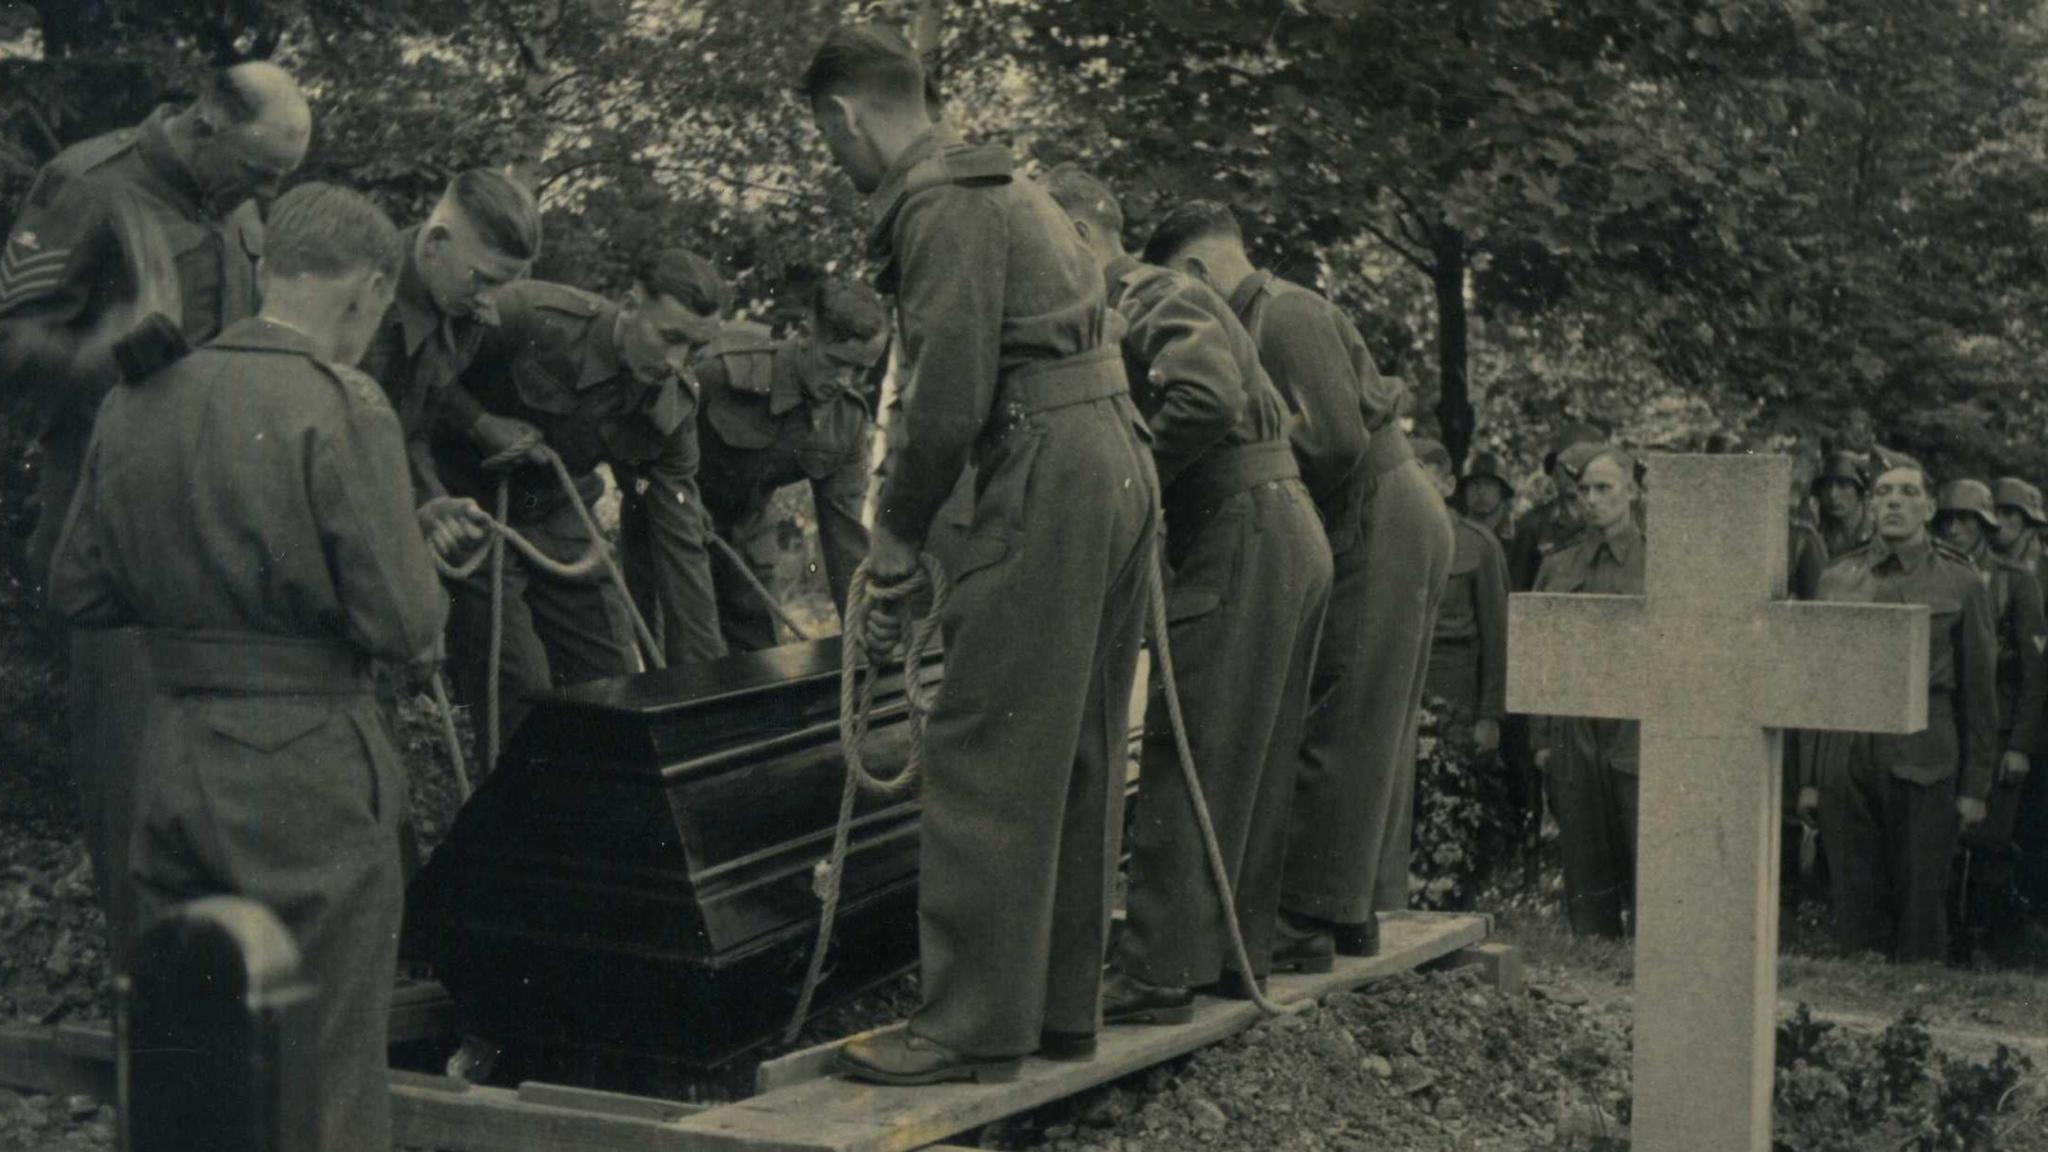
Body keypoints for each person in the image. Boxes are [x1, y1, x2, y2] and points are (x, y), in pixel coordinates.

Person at [48, 184, 443, 1152]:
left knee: (192, 1064)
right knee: (323, 1074)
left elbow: (78, 589)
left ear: (270, 267)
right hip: (306, 765)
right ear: (368, 290)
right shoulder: (343, 404)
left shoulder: (138, 397)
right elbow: (402, 622)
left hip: (174, 754)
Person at [801, 25, 1157, 1084]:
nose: (837, 162)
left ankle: (966, 1026)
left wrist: (897, 537)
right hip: (1109, 454)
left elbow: (946, 396)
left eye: (829, 145)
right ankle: (1052, 1010)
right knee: (1077, 744)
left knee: (985, 738)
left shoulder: (941, 202)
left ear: (843, 118)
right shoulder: (1002, 181)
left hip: (1047, 463)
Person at [0, 61, 310, 973]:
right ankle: (154, 998)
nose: (270, 195)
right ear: (206, 123)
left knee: (224, 763)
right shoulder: (88, 186)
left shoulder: (238, 203)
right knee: (132, 761)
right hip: (111, 517)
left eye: (282, 180)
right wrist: (106, 353)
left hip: (222, 517)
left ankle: (218, 974)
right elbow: (9, 346)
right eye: (260, 175)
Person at [1044, 166, 1332, 1020]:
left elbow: (1204, 394)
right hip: (1278, 525)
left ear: (1084, 238)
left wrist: (1137, 485)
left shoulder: (1138, 290)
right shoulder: (1156, 293)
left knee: (1190, 744)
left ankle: (1160, 971)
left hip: (1238, 527)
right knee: (1250, 753)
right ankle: (1221, 957)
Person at [1145, 200, 1452, 959]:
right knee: (1354, 710)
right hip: (1369, 514)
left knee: (1343, 715)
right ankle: (1342, 909)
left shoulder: (1285, 313)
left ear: (1193, 269)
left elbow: (1335, 440)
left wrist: (1252, 483)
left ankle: (1309, 916)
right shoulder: (1257, 320)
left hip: (1377, 515)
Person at [426, 255, 728, 750]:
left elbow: (681, 544)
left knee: (612, 679)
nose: (678, 362)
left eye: (696, 347)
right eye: (669, 337)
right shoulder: (530, 312)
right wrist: (480, 424)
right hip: (472, 510)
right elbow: (430, 374)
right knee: (518, 683)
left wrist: (708, 685)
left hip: (561, 516)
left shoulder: (673, 403)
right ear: (630, 306)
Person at [1799, 457, 1998, 962]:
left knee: (1920, 893)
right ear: (1870, 507)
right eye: (1884, 492)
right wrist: (1810, 776)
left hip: (1925, 752)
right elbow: (1817, 685)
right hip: (1847, 751)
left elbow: (1980, 693)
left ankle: (1915, 1004)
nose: (1893, 502)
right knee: (1853, 887)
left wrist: (1975, 787)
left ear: (1930, 508)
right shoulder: (1839, 578)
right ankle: (1858, 1003)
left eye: (1908, 493)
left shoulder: (1961, 583)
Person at [695, 276, 888, 651]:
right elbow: (645, 440)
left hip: (746, 533)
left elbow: (845, 536)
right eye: (836, 363)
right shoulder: (723, 372)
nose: (845, 381)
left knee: (762, 658)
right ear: (805, 334)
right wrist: (680, 500)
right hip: (673, 525)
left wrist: (863, 626)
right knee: (685, 656)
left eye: (861, 370)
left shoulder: (845, 420)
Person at [359, 168, 542, 551]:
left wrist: (431, 500)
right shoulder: (359, 291)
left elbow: (415, 428)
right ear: (434, 245)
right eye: (483, 279)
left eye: (502, 285)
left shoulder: (463, 308)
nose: (489, 304)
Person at [1531, 448, 1646, 938]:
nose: (1593, 500)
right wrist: (1540, 735)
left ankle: (1653, 948)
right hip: (1574, 719)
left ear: (1633, 493)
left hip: (1637, 721)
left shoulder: (1664, 564)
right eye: (1585, 490)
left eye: (1605, 488)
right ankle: (1592, 945)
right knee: (1582, 839)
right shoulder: (1559, 567)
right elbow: (1538, 651)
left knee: (1644, 839)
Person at [1933, 479, 2046, 959]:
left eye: (1967, 520)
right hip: (1947, 724)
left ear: (1985, 526)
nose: (1957, 529)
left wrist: (2020, 744)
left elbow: (2034, 674)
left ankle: (1980, 937)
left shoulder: (2015, 580)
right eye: (1950, 520)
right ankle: (1947, 935)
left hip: (1998, 729)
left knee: (1992, 838)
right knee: (1942, 832)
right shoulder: (1937, 573)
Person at [1417, 439, 1508, 754]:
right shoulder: (1387, 545)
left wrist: (1490, 716)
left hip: (1456, 694)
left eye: (1422, 482)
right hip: (1401, 695)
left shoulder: (1478, 545)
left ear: (1447, 485)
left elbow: (1498, 637)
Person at [1507, 424, 1603, 592]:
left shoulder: (1614, 523)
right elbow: (1517, 593)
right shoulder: (1533, 525)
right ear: (1553, 471)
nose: (1570, 473)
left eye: (1580, 465)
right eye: (1563, 465)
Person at [1813, 449, 1874, 560]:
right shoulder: (1816, 534)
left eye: (1843, 485)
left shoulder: (1880, 533)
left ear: (1860, 491)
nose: (1832, 495)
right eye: (1826, 486)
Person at [1456, 450, 1516, 548]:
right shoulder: (1451, 535)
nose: (1481, 491)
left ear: (1502, 491)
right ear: (1464, 491)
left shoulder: (1515, 542)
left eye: (1489, 483)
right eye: (1474, 483)